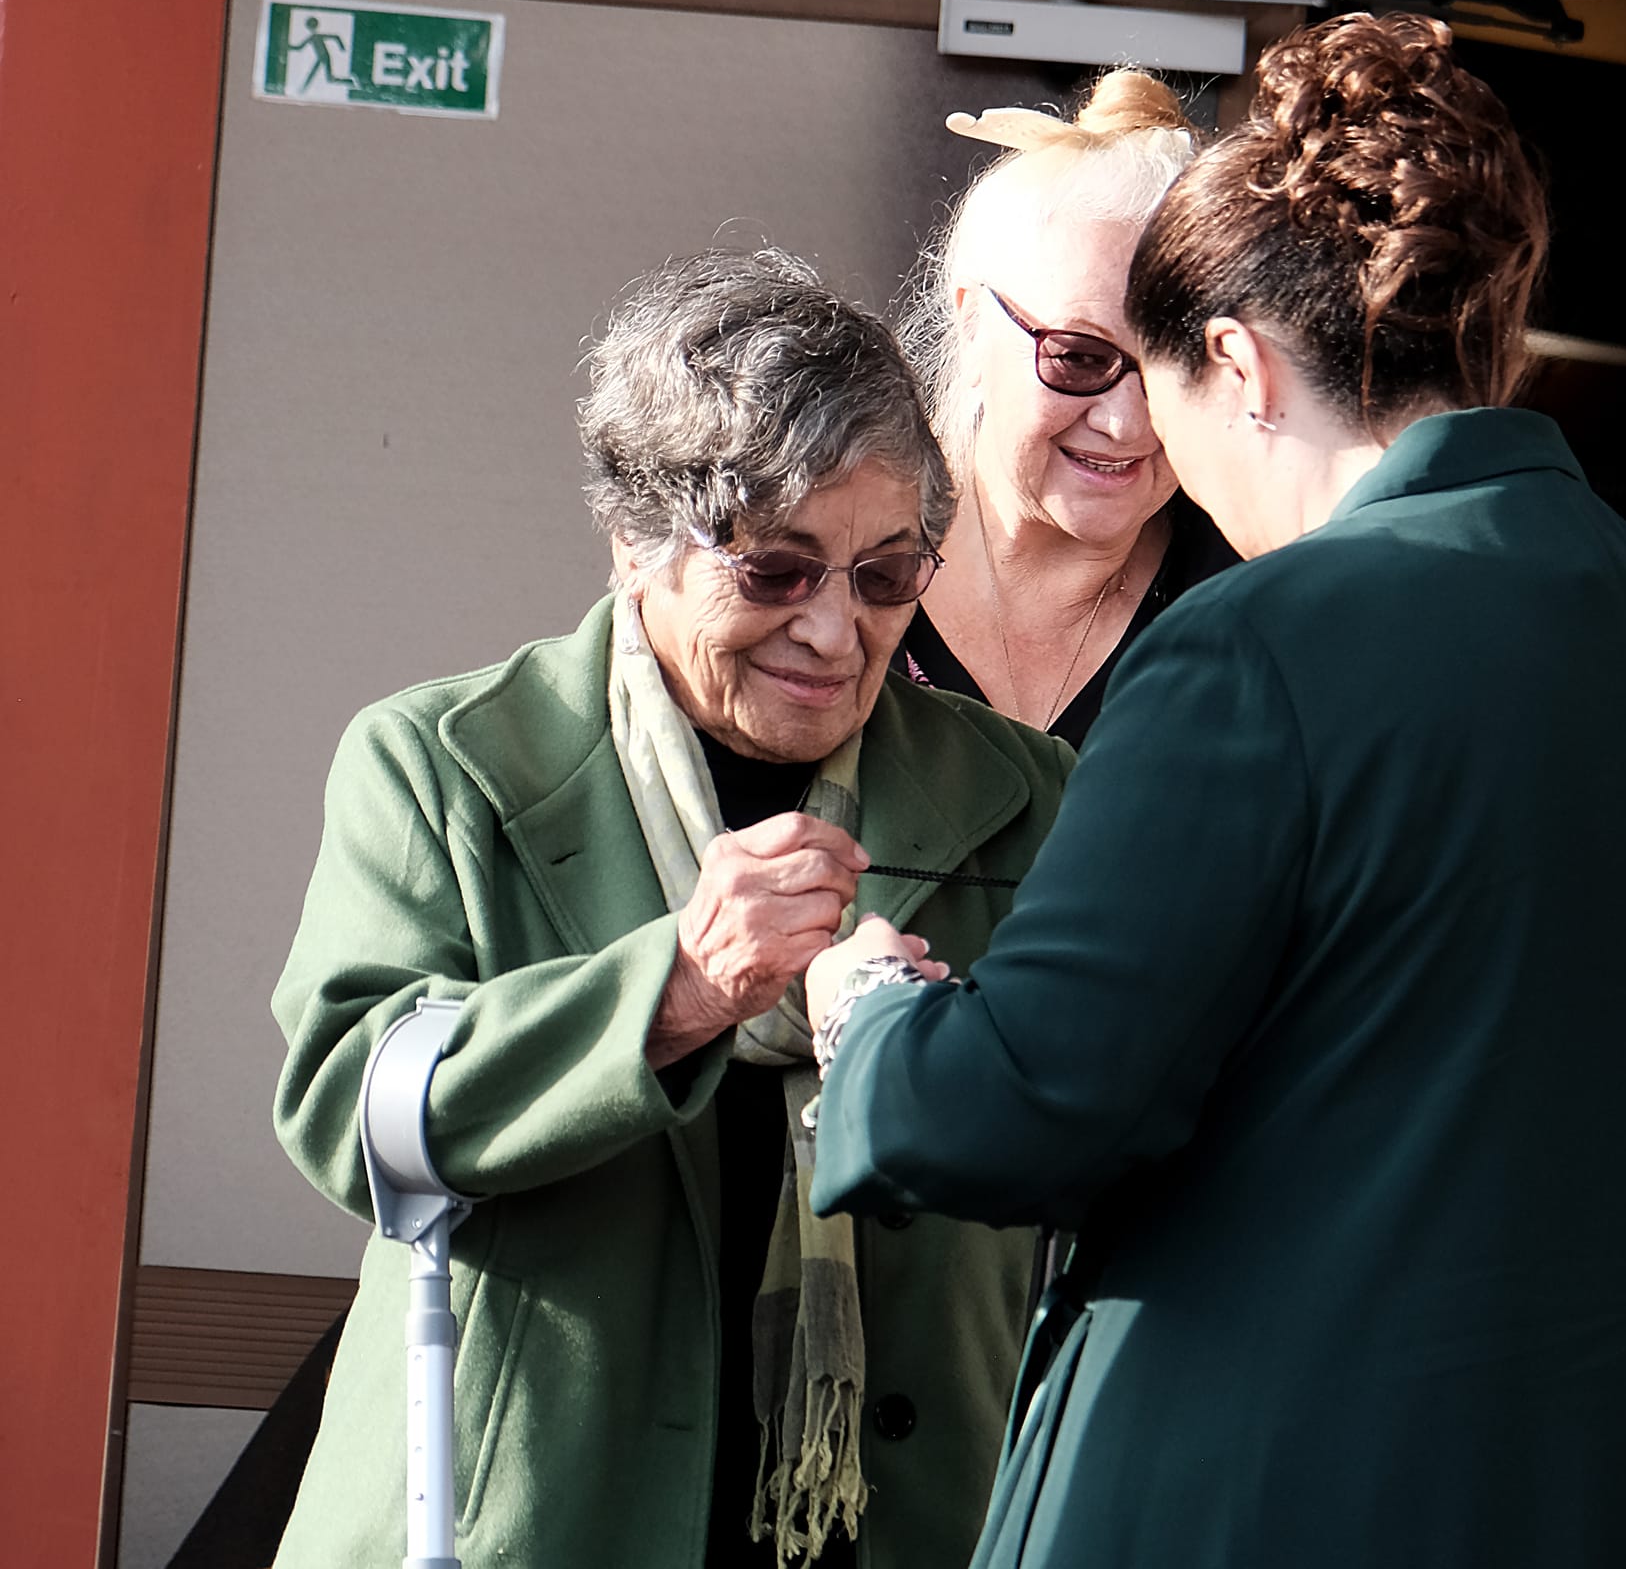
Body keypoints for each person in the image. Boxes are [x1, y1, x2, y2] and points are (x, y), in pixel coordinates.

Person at [805, 16, 1626, 1568]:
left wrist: (872, 1008)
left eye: (1157, 386)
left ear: (1238, 363)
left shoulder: (1262, 639)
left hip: (1283, 1493)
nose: (1148, 445)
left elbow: (1024, 1103)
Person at [269, 251, 1071, 1569]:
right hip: (535, 1511)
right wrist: (681, 990)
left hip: (897, 1519)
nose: (835, 630)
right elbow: (351, 1110)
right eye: (777, 570)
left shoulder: (1028, 796)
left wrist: (942, 1056)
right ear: (633, 542)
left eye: (884, 574)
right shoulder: (448, 761)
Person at [896, 70, 1234, 746]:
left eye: (1175, 361)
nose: (1126, 422)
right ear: (972, 324)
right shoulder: (842, 564)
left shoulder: (1246, 608)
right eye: (1078, 357)